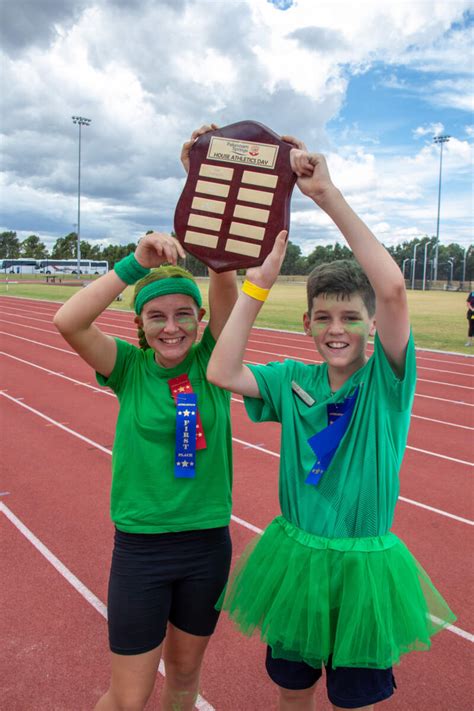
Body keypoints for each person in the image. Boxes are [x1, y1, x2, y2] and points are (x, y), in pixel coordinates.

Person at [207, 143, 456, 710]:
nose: (336, 329)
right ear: (307, 323)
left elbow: (391, 286)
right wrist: (258, 284)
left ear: (372, 324)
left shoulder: (387, 383)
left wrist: (326, 196)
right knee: (293, 694)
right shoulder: (293, 376)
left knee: (354, 702)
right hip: (295, 560)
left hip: (364, 569)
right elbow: (222, 370)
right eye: (324, 317)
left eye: (350, 317)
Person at [54, 126, 238, 711]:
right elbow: (69, 322)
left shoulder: (214, 359)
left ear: (200, 317)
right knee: (128, 697)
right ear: (140, 326)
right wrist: (136, 262)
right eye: (156, 317)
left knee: (185, 684)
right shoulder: (129, 369)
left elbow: (227, 280)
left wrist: (208, 187)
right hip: (142, 550)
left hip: (207, 545)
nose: (172, 327)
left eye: (185, 314)